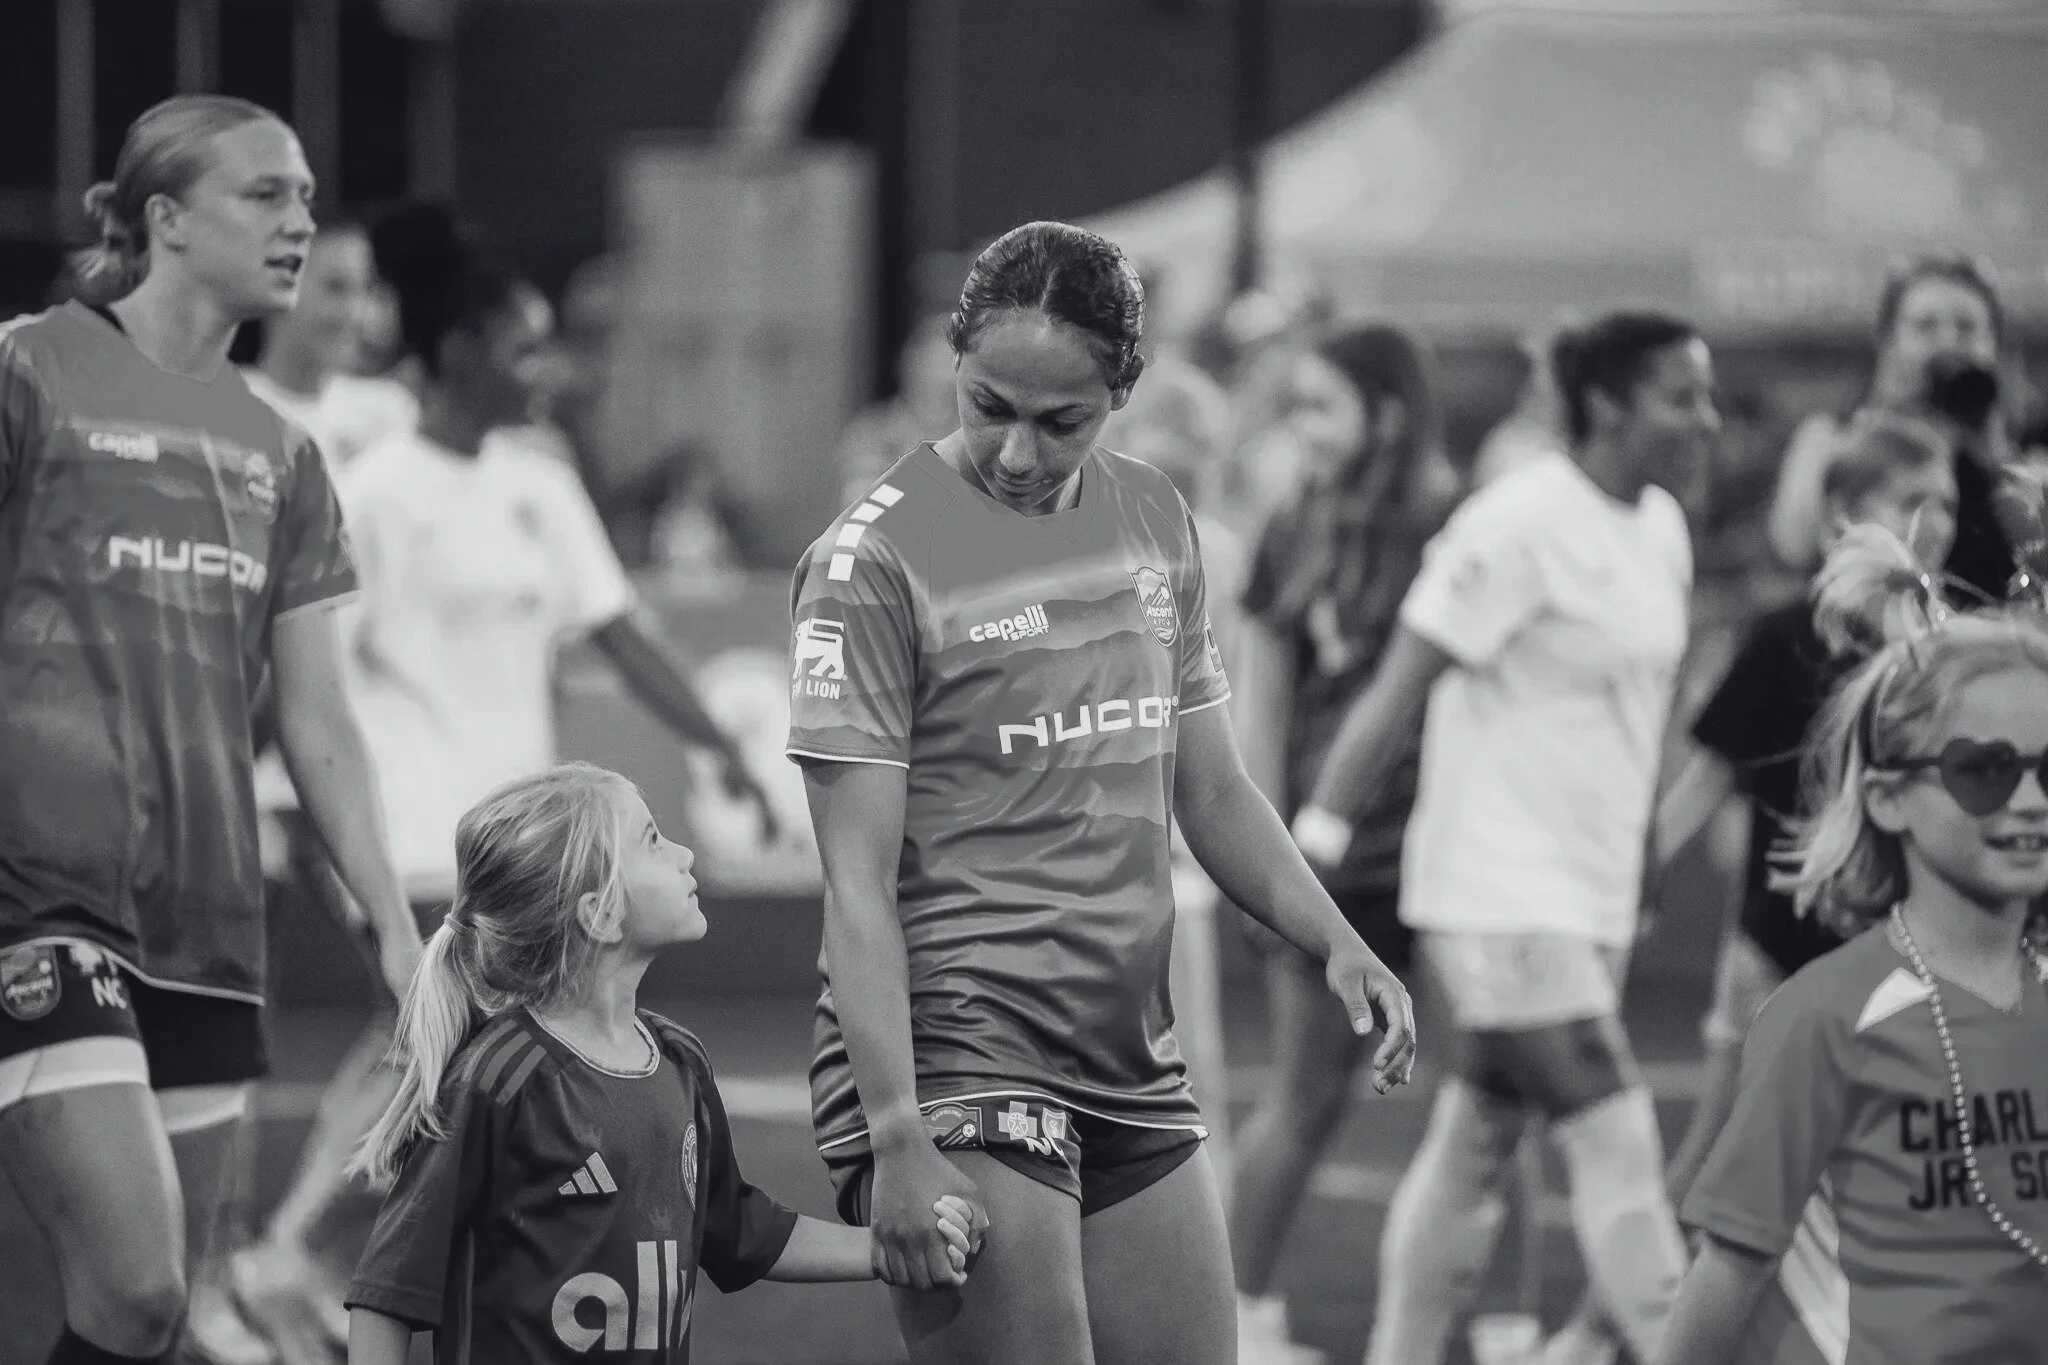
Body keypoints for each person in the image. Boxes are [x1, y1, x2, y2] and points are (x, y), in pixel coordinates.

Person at [786, 220, 1416, 1365]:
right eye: (987, 406)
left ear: (1122, 391)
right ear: (952, 362)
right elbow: (854, 882)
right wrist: (895, 1133)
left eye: (1061, 422)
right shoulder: (869, 563)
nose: (1016, 452)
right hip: (955, 1050)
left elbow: (1210, 790)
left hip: (1128, 1052)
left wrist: (1336, 940)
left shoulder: (1153, 516)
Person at [227, 202, 778, 1355]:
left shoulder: (539, 484)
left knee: (427, 1044)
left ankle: (304, 1254)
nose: (544, 367)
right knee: (457, 1040)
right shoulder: (372, 492)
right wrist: (265, 785)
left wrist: (726, 747)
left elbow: (620, 633)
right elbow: (306, 674)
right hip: (406, 828)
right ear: (459, 352)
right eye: (523, 347)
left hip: (519, 839)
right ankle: (306, 1253)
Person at [0, 95, 422, 1364]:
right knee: (136, 1287)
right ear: (167, 219)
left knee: (147, 1319)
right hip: (39, 892)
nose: (299, 222)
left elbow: (319, 717)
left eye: (305, 198)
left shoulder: (283, 456)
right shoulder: (27, 371)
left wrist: (392, 929)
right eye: (266, 194)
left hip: (206, 914)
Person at [1291, 311, 1719, 1365]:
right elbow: (1395, 691)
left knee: (1477, 1137)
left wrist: (1638, 861)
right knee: (1615, 1135)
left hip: (1587, 897)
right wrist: (1307, 857)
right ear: (1607, 404)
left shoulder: (1661, 526)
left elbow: (1641, 718)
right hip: (1498, 894)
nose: (1707, 420)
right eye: (1682, 397)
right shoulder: (1514, 522)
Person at [1542, 409, 1961, 1365]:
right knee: (1722, 1160)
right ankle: (1597, 1334)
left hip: (1893, 955)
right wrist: (1632, 886)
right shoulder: (1788, 636)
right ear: (1844, 514)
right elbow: (1707, 780)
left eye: (1945, 502)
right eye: (1910, 499)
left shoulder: (1947, 648)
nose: (1933, 521)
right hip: (1777, 948)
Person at [343, 762, 979, 1364]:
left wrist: (891, 1247)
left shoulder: (679, 1060)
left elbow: (739, 1230)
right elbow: (386, 1293)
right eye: (652, 841)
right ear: (600, 914)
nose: (685, 854)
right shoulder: (501, 1080)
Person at [1659, 527, 2048, 1365]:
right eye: (1984, 770)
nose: (2029, 800)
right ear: (1888, 797)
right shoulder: (1828, 1016)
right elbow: (1729, 1269)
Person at [1223, 325, 1463, 1363]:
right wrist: (1268, 863)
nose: (1302, 430)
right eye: (1296, 407)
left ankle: (1500, 1334)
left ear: (1389, 416)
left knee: (1486, 1105)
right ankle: (1238, 1323)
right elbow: (1263, 702)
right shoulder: (1293, 526)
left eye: (1321, 406)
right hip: (1333, 869)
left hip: (1450, 860)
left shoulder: (1454, 524)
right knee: (1304, 1098)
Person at [1767, 254, 2031, 604]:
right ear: (1889, 343)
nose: (1948, 343)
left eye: (1967, 328)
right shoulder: (1832, 434)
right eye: (1926, 327)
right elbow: (1793, 547)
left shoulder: (2021, 456)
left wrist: (1998, 460)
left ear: (1994, 345)